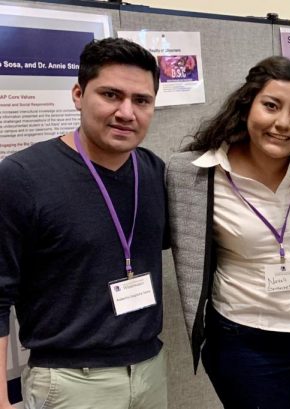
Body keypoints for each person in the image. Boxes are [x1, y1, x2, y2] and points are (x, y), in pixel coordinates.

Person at [167, 56, 290, 408]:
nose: (282, 123)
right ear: (246, 106)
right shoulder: (193, 174)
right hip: (247, 342)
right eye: (271, 106)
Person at [0, 38, 167, 408]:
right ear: (78, 94)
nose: (127, 112)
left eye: (141, 100)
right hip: (70, 382)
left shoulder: (153, 171)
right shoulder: (22, 177)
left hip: (150, 370)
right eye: (111, 95)